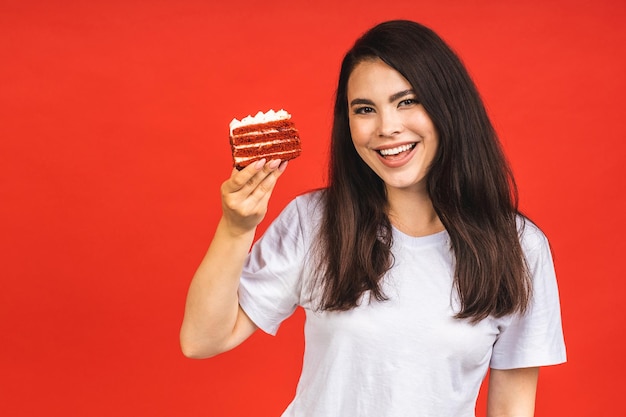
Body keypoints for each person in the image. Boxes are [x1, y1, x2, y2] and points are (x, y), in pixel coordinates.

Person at [180, 20, 566, 417]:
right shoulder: (315, 222)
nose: (387, 128)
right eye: (365, 109)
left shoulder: (519, 247)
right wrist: (235, 228)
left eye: (407, 101)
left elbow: (512, 406)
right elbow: (201, 340)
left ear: (449, 107)